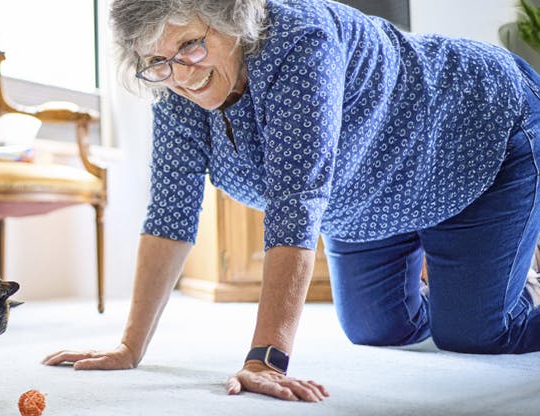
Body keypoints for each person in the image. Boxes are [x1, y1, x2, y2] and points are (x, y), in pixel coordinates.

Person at [43, 0, 540, 403]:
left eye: (190, 44)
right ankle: (465, 269)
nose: (180, 73)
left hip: (475, 136)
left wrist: (266, 358)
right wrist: (130, 347)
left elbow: (295, 205)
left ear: (229, 17)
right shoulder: (175, 85)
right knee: (376, 329)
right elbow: (170, 214)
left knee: (475, 333)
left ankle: (513, 282)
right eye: (157, 60)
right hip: (373, 198)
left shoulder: (300, 40)